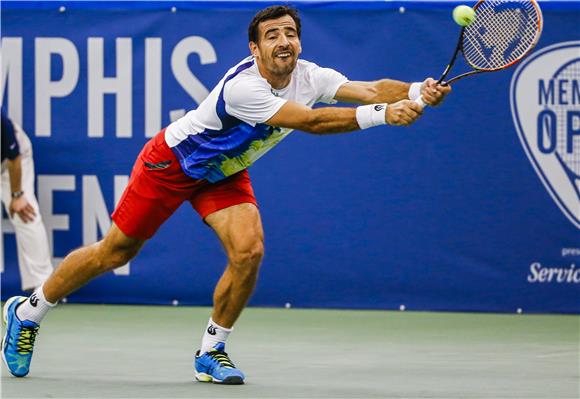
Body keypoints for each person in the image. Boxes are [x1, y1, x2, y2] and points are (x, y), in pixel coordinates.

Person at [2, 5, 450, 384]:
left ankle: (211, 351)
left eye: (290, 33)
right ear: (254, 49)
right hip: (171, 164)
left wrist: (415, 91)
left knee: (249, 251)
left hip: (224, 172)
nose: (283, 41)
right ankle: (29, 312)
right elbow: (314, 123)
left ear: (299, 43)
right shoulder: (244, 88)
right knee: (114, 252)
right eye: (271, 35)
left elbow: (370, 89)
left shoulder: (311, 76)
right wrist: (384, 115)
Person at [1, 110, 53, 293]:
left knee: (24, 212)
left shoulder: (2, 123)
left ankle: (44, 286)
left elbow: (14, 158)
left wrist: (17, 195)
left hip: (10, 163)